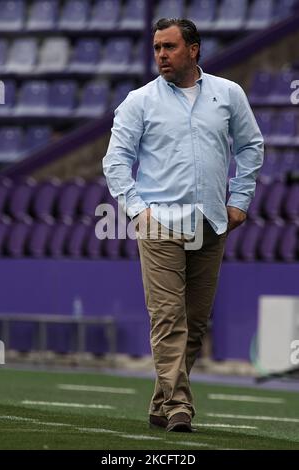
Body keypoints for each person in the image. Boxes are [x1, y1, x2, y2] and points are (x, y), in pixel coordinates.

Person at [103, 18, 264, 432]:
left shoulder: (228, 94)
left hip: (211, 222)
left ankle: (161, 404)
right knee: (168, 317)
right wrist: (138, 211)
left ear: (193, 49)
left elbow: (250, 146)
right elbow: (115, 159)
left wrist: (239, 200)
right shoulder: (139, 101)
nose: (160, 55)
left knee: (195, 322)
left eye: (169, 47)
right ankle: (179, 407)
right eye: (157, 47)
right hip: (159, 224)